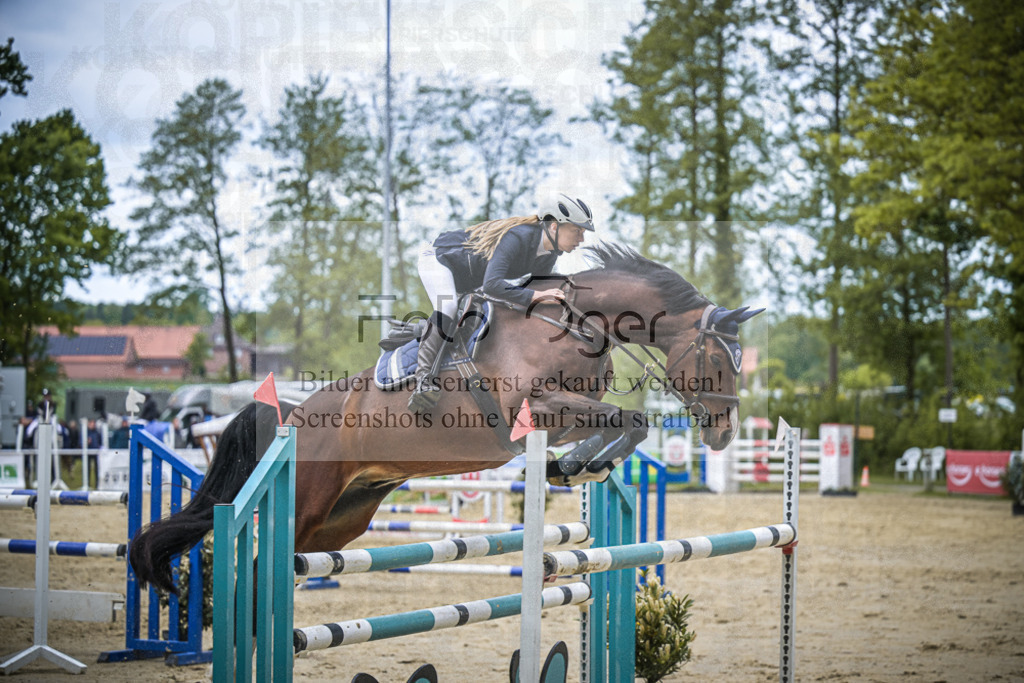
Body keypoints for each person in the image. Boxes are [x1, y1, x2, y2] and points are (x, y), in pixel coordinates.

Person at [408, 193, 595, 412]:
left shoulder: (549, 255)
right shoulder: (518, 237)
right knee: (447, 306)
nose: (581, 239)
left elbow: (534, 296)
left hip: (469, 278)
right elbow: (492, 285)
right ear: (554, 227)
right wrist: (536, 296)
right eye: (577, 231)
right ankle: (423, 379)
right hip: (440, 259)